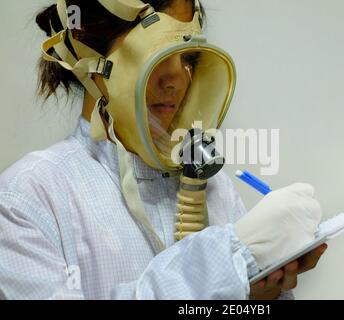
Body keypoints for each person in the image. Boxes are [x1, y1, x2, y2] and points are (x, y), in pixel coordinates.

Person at [0, 0, 327, 300]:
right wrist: (226, 264)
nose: (176, 79)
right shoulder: (28, 197)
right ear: (88, 60)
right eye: (155, 54)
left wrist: (261, 293)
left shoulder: (215, 188)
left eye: (187, 58)